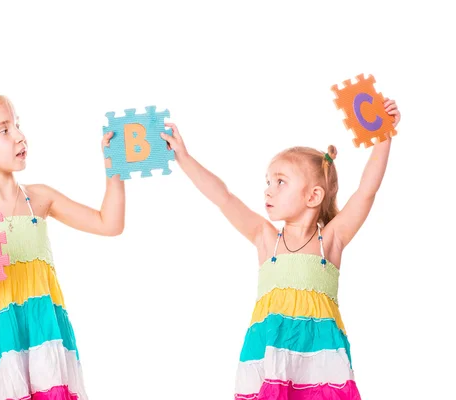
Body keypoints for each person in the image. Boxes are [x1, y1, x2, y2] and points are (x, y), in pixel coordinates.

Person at [160, 98, 401, 399]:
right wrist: (184, 157)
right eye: (268, 181)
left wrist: (383, 139)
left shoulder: (331, 240)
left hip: (319, 360)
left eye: (280, 182)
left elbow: (366, 191)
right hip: (270, 353)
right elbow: (223, 197)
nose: (268, 189)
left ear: (313, 195)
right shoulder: (265, 238)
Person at [0, 93, 125, 400]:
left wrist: (114, 170)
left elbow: (109, 224)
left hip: (43, 334)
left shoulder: (40, 199)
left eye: (17, 125)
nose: (19, 136)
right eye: (4, 130)